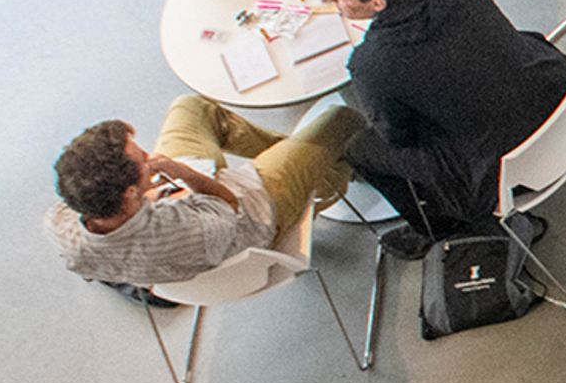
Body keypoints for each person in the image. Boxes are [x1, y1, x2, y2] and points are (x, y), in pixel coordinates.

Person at [317, 0, 566, 243]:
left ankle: (437, 228)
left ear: (377, 4)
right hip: (558, 98)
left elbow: (397, 136)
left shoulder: (371, 63)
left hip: (504, 165)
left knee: (363, 148)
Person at [46, 100, 359, 296]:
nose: (149, 153)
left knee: (191, 108)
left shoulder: (61, 225)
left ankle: (299, 153)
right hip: (248, 213)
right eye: (141, 157)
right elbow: (229, 203)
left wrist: (149, 193)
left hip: (167, 209)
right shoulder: (187, 232)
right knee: (340, 120)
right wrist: (182, 173)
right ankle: (335, 165)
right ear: (128, 191)